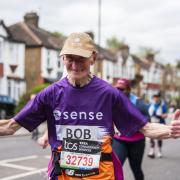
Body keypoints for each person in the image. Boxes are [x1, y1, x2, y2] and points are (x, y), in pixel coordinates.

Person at [0, 32, 180, 180]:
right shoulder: (50, 94)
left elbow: (146, 128)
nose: (75, 65)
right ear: (62, 58)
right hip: (63, 175)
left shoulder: (109, 94)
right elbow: (11, 126)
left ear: (93, 58)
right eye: (70, 58)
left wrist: (171, 131)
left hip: (101, 175)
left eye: (81, 59)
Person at [112, 78, 149, 180]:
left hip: (136, 142)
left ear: (128, 89)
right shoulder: (113, 101)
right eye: (117, 89)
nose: (119, 91)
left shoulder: (139, 104)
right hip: (120, 140)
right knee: (114, 169)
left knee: (136, 169)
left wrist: (132, 125)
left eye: (122, 89)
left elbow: (148, 122)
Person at [148, 93, 168, 158]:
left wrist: (160, 115)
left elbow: (165, 115)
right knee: (152, 136)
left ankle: (159, 151)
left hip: (160, 123)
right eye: (154, 97)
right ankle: (152, 151)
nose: (155, 98)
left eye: (157, 97)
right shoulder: (151, 104)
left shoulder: (162, 105)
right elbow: (148, 113)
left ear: (159, 98)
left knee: (159, 137)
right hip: (152, 122)